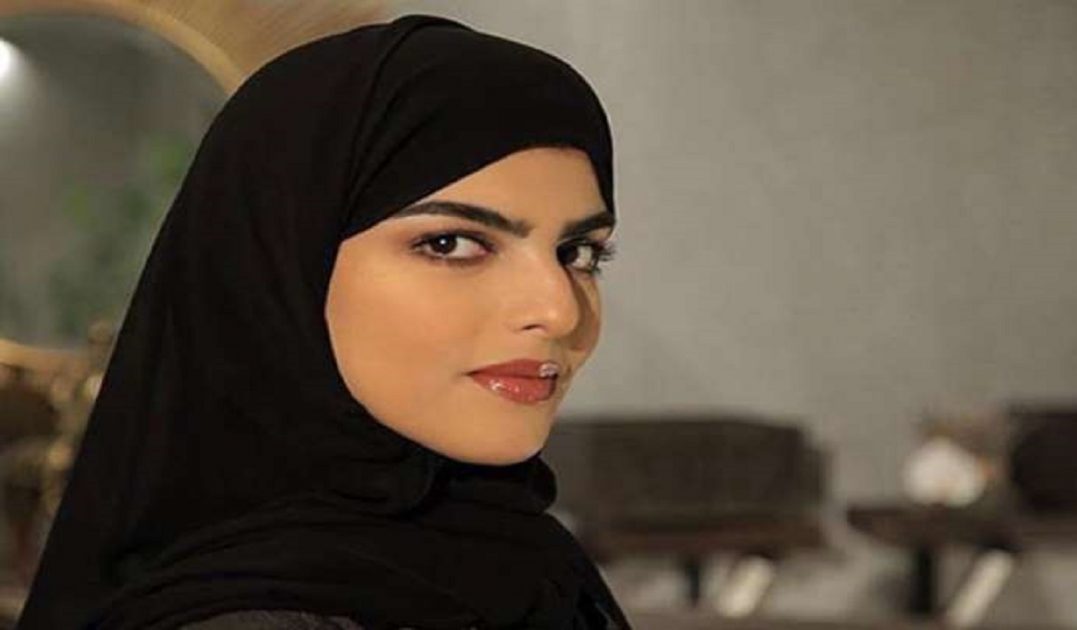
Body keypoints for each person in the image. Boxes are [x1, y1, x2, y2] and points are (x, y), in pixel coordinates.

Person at [17, 14, 630, 629]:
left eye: (579, 253)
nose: (559, 310)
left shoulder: (524, 567)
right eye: (451, 244)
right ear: (279, 272)